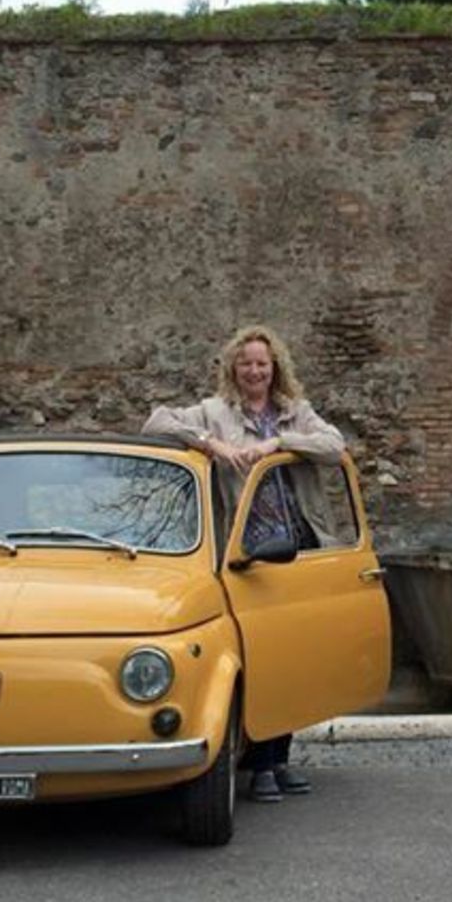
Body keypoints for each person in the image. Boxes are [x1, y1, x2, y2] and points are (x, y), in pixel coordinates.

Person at [144, 323, 345, 805]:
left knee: (291, 659)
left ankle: (279, 759)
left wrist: (279, 443)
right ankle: (258, 765)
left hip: (295, 545)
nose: (255, 371)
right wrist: (213, 445)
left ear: (275, 367)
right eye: (246, 363)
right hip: (244, 550)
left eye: (262, 363)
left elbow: (335, 448)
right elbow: (155, 423)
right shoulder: (213, 414)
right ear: (233, 368)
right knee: (254, 657)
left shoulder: (295, 413)